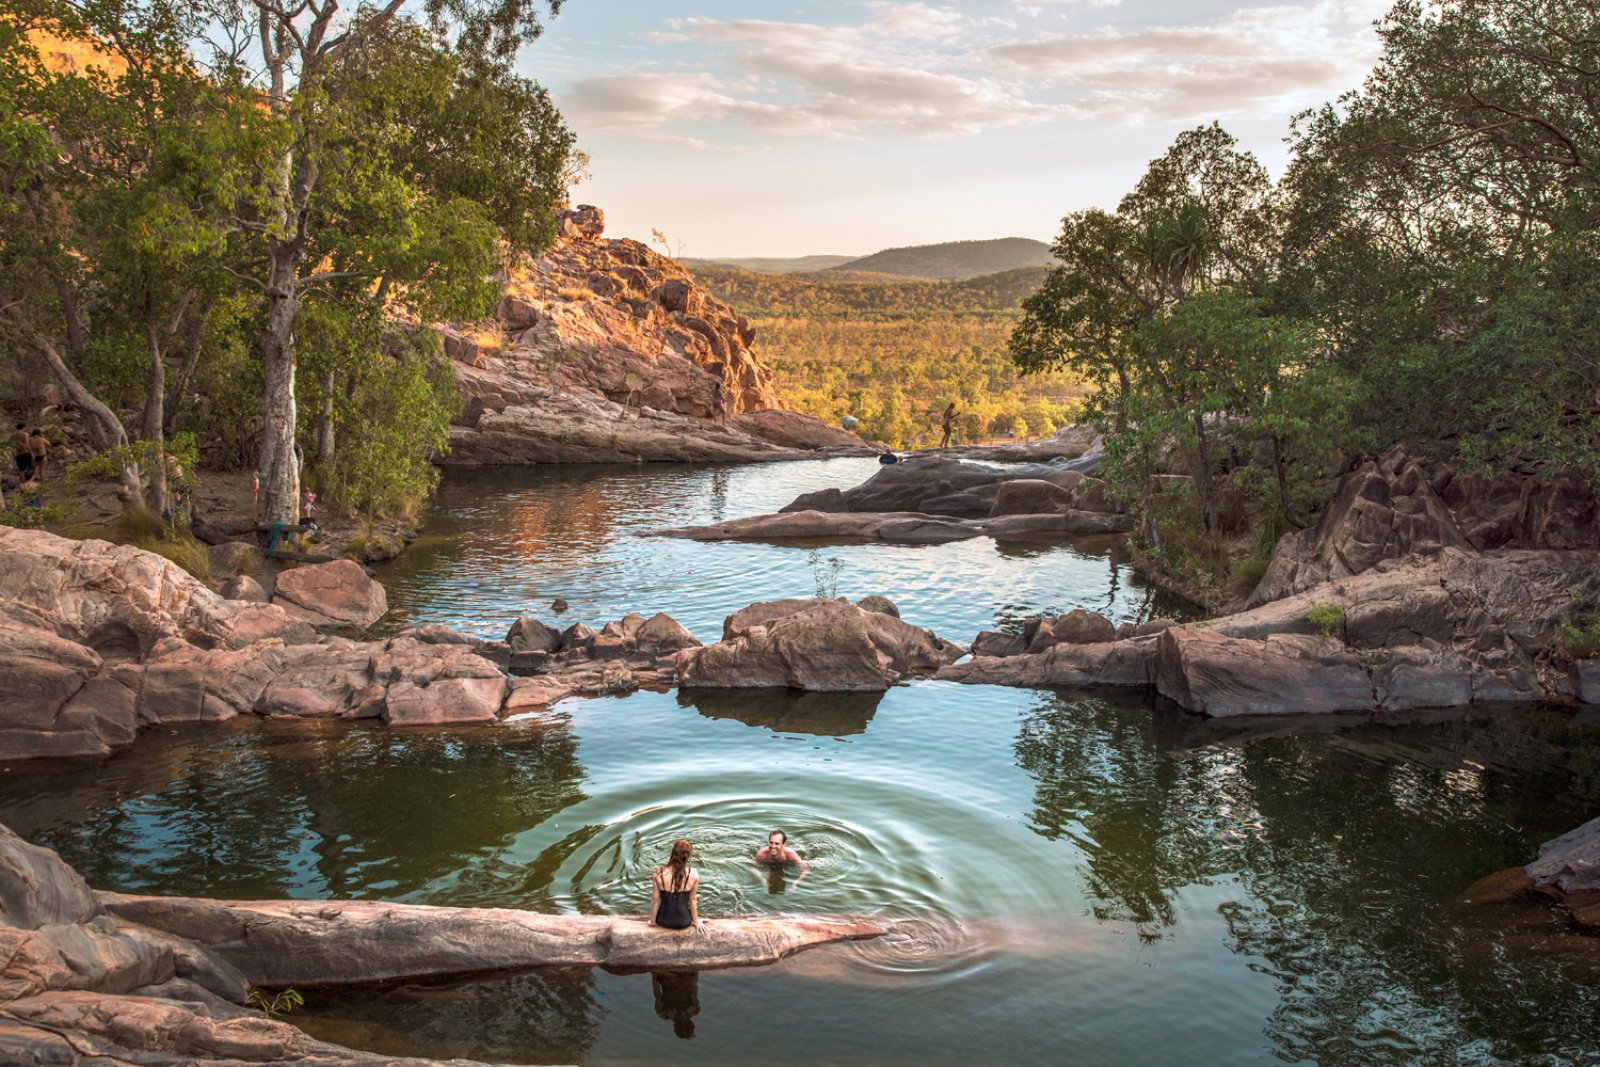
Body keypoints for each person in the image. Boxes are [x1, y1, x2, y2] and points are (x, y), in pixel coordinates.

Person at [648, 838, 707, 934]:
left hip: (663, 921)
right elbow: (692, 900)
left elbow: (655, 900)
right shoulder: (693, 874)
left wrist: (653, 922)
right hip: (684, 922)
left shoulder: (659, 873)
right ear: (687, 856)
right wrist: (696, 921)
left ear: (672, 853)